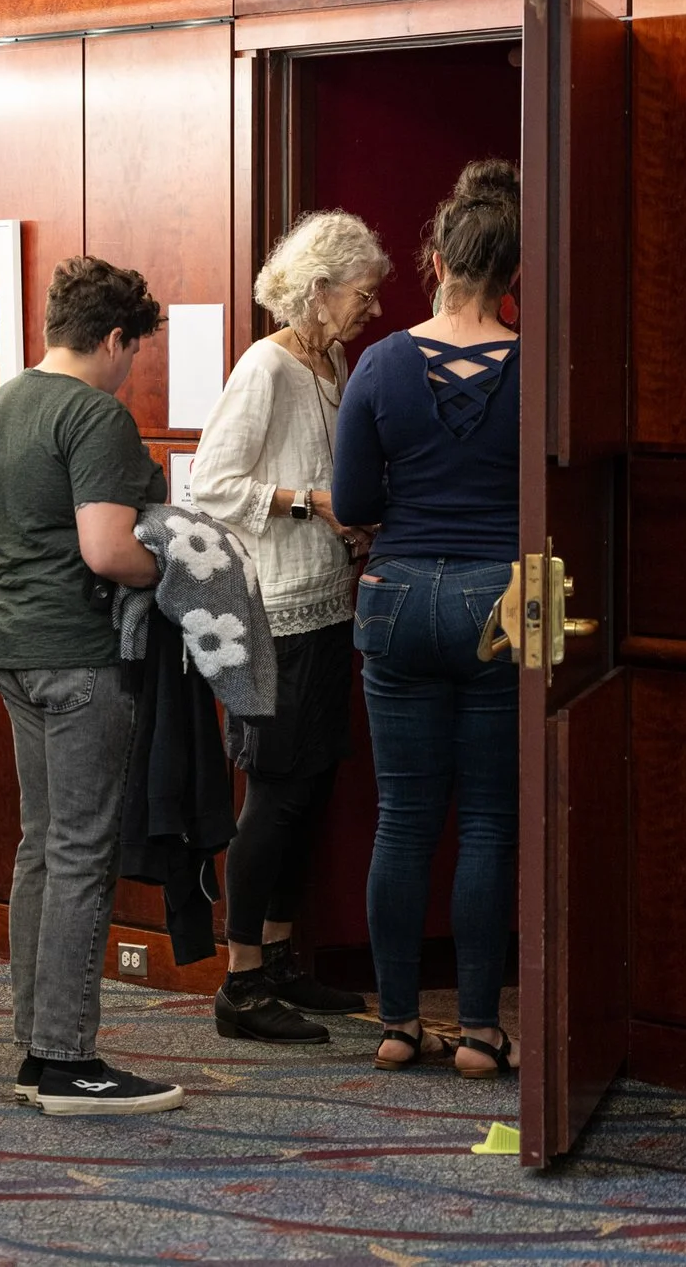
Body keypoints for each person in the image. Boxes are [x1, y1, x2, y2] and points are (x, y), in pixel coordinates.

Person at [0, 255, 179, 1115]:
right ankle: (65, 1058)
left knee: (41, 845)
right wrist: (168, 560)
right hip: (82, 653)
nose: (133, 368)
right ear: (117, 337)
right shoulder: (96, 415)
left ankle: (34, 1046)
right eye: (135, 351)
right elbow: (107, 551)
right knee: (83, 853)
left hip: (12, 647)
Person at [332, 159, 523, 1081]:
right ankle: (482, 1031)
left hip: (398, 594)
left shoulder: (379, 364)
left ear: (436, 256)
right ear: (513, 270)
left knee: (403, 819)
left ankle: (400, 1023)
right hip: (500, 596)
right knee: (488, 820)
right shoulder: (536, 366)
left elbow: (356, 497)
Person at [190, 211, 390, 1044]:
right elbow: (210, 482)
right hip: (270, 613)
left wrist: (348, 521)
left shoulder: (331, 360)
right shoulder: (265, 366)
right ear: (318, 291)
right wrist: (312, 502)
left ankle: (277, 960)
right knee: (272, 793)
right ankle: (238, 983)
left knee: (308, 786)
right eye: (362, 293)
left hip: (325, 605)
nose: (372, 308)